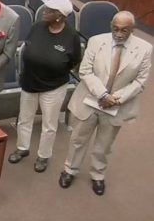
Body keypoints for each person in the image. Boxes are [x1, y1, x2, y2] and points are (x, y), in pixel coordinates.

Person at [59, 11, 152, 196]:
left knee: (104, 145)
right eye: (115, 29)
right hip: (90, 100)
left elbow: (141, 81)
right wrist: (103, 94)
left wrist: (117, 98)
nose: (118, 33)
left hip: (116, 105)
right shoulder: (96, 41)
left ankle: (98, 174)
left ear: (133, 29)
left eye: (124, 30)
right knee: (78, 140)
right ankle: (70, 170)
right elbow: (85, 71)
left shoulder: (145, 48)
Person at [7, 0, 81, 173]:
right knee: (24, 119)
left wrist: (54, 68)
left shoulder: (71, 36)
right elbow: (27, 48)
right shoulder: (37, 27)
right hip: (30, 82)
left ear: (60, 16)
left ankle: (43, 155)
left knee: (49, 124)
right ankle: (22, 148)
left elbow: (74, 61)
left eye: (49, 10)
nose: (44, 11)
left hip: (53, 87)